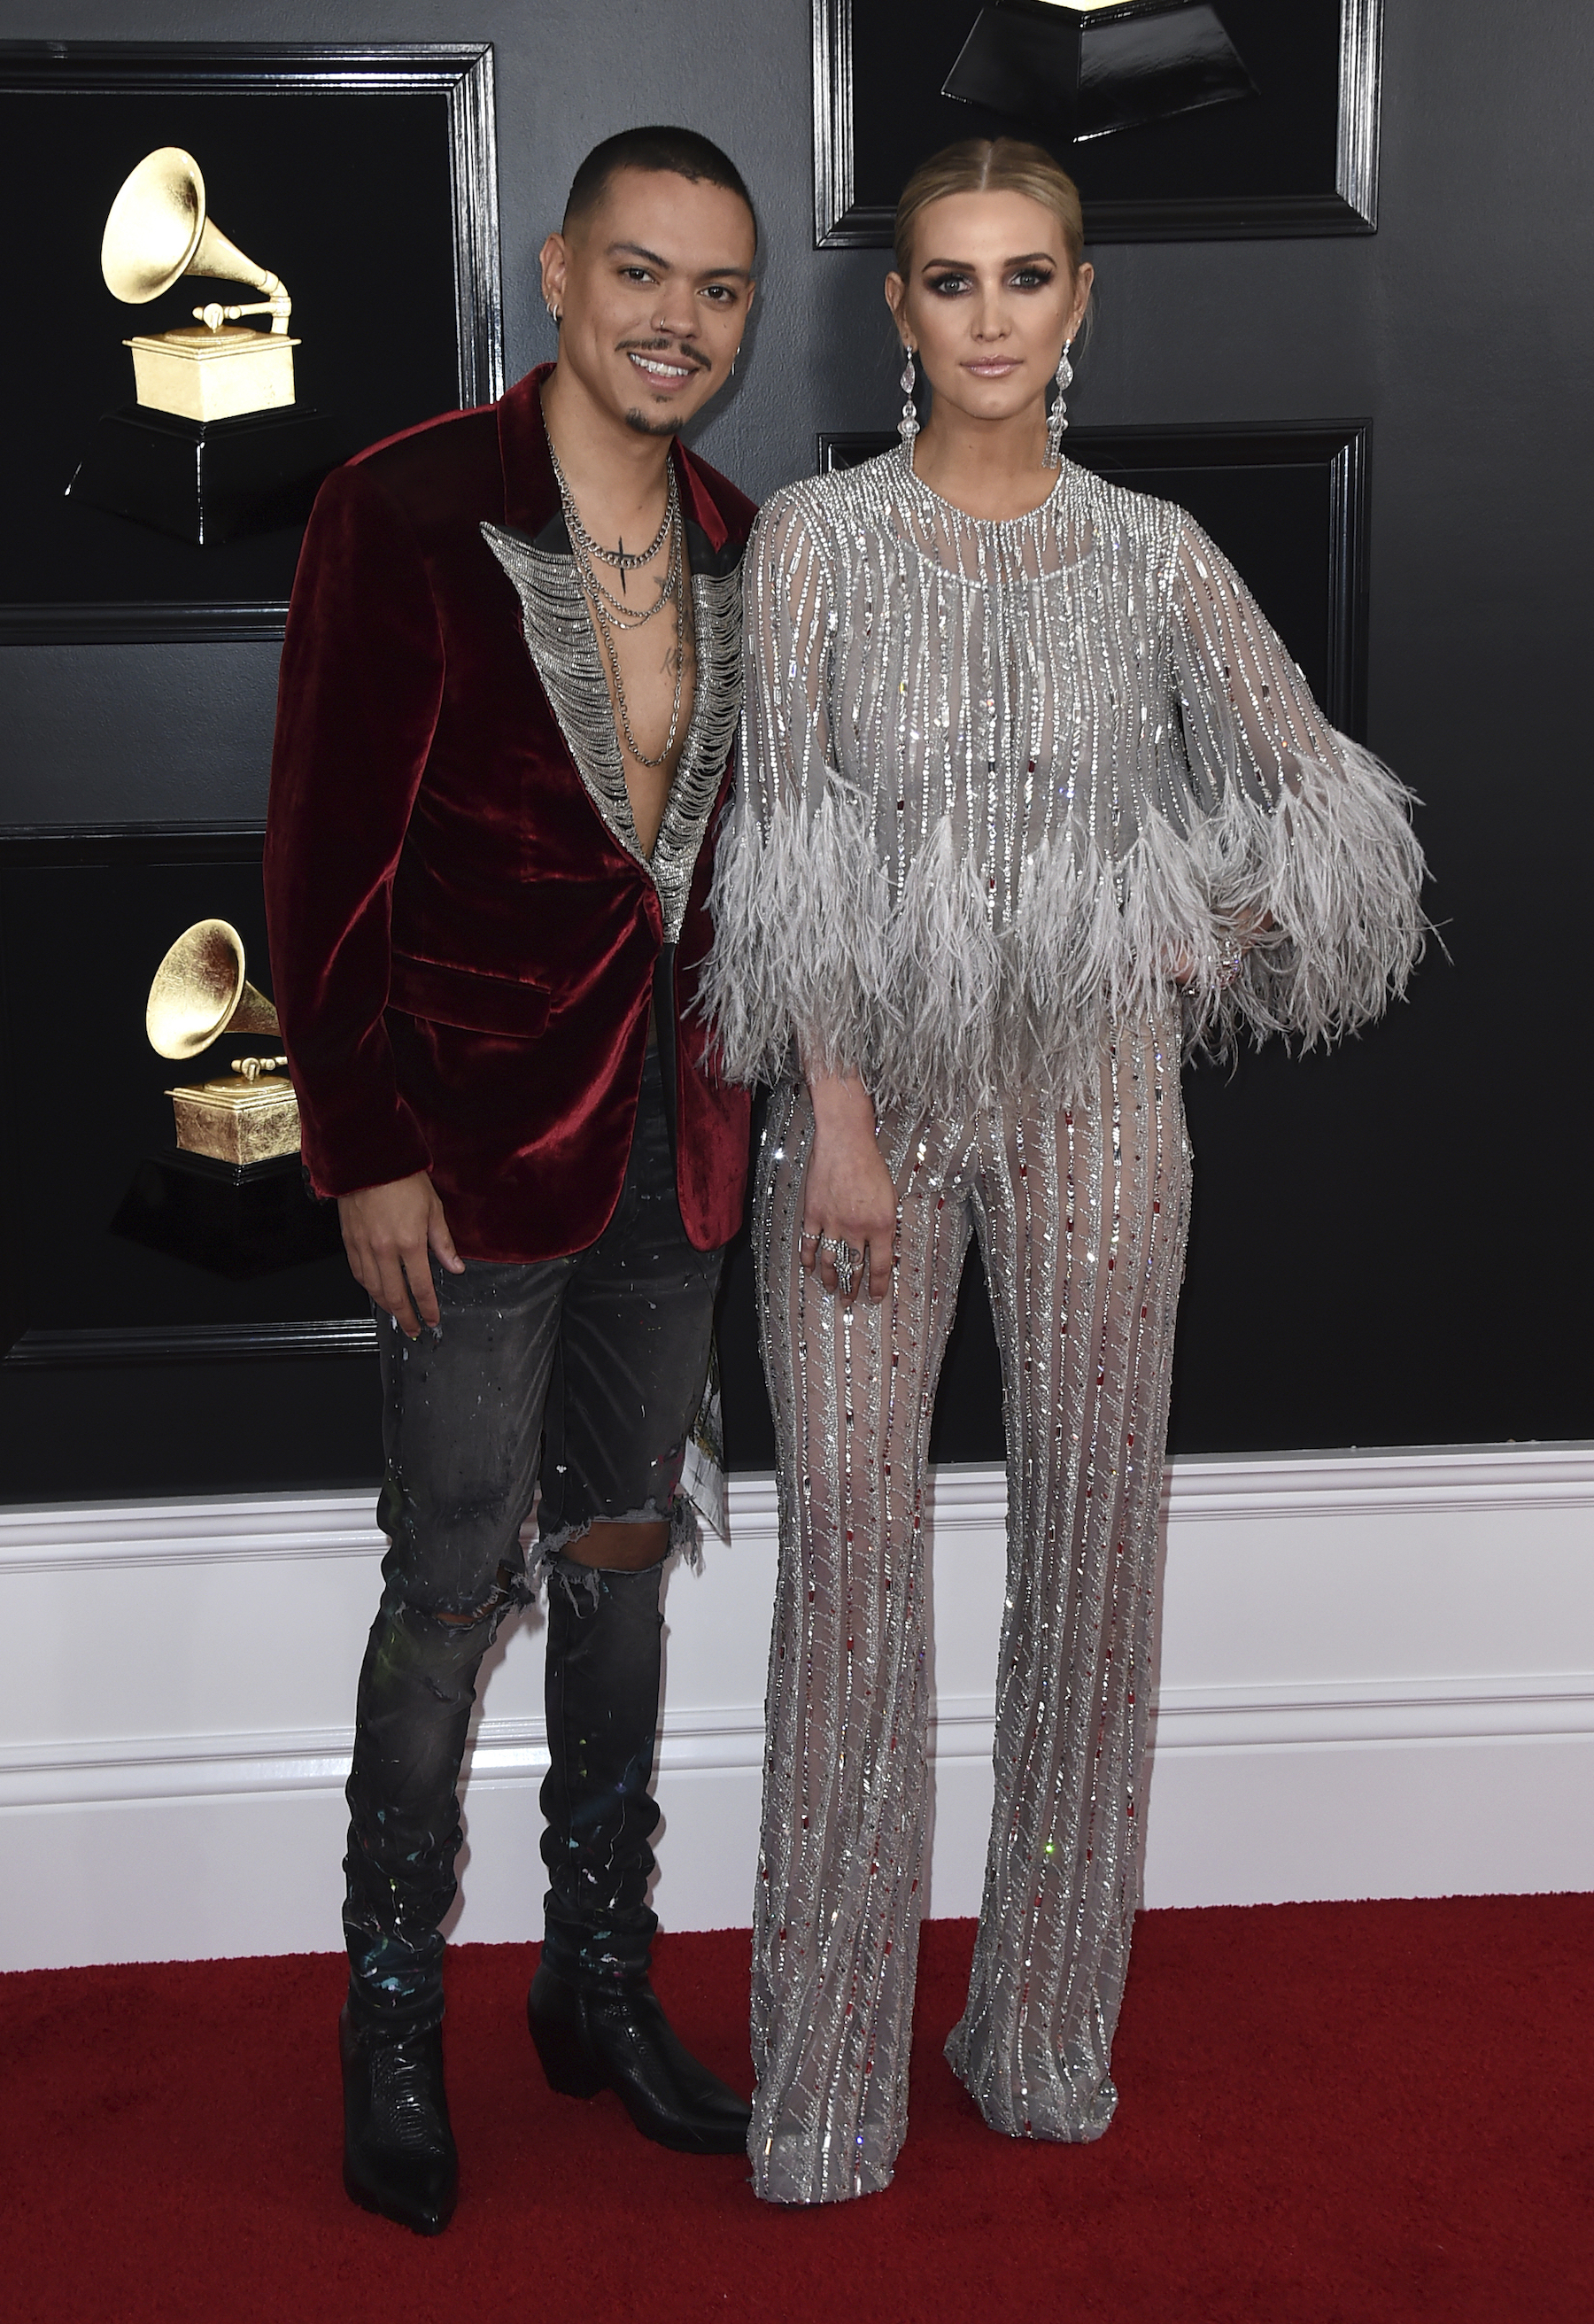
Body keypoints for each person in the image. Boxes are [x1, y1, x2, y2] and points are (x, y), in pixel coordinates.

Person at [702, 137, 1426, 2205]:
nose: (992, 317)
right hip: (866, 1117)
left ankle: (1035, 2036)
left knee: (1093, 1562)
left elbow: (1326, 814)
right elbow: (791, 871)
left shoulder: (1161, 555)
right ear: (900, 310)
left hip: (1106, 1107)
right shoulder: (822, 547)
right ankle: (828, 2082)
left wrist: (1190, 912)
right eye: (952, 281)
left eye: (1029, 277)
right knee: (853, 1566)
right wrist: (831, 1122)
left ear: (1081, 304)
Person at [264, 126, 760, 2235]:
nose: (678, 321)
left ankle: (596, 1978)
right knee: (450, 1581)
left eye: (719, 291)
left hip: (678, 1140)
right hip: (461, 1158)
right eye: (643, 274)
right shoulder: (403, 507)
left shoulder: (744, 535)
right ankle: (390, 2020)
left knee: (625, 1555)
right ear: (559, 272)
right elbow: (315, 852)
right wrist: (360, 1144)